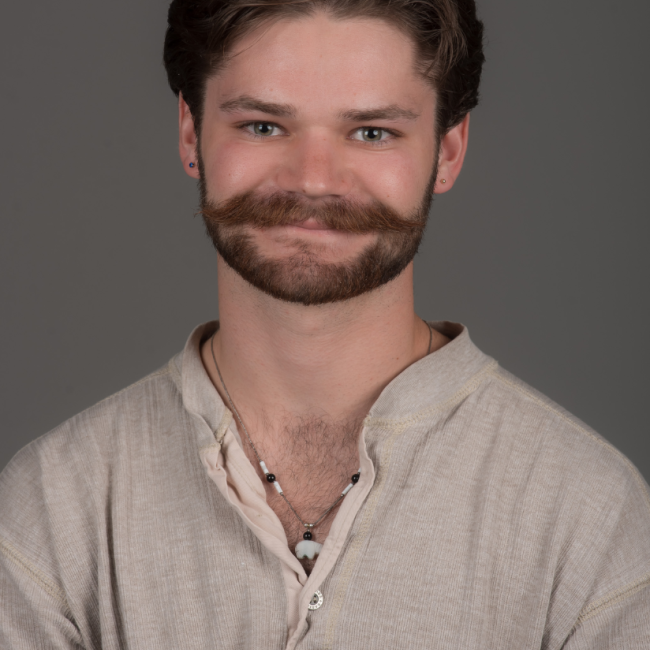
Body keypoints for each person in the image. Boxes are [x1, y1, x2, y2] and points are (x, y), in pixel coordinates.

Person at [1, 0, 649, 647]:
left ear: (448, 152)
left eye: (371, 132)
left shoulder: (589, 516)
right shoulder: (48, 514)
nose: (313, 181)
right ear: (191, 135)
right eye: (261, 125)